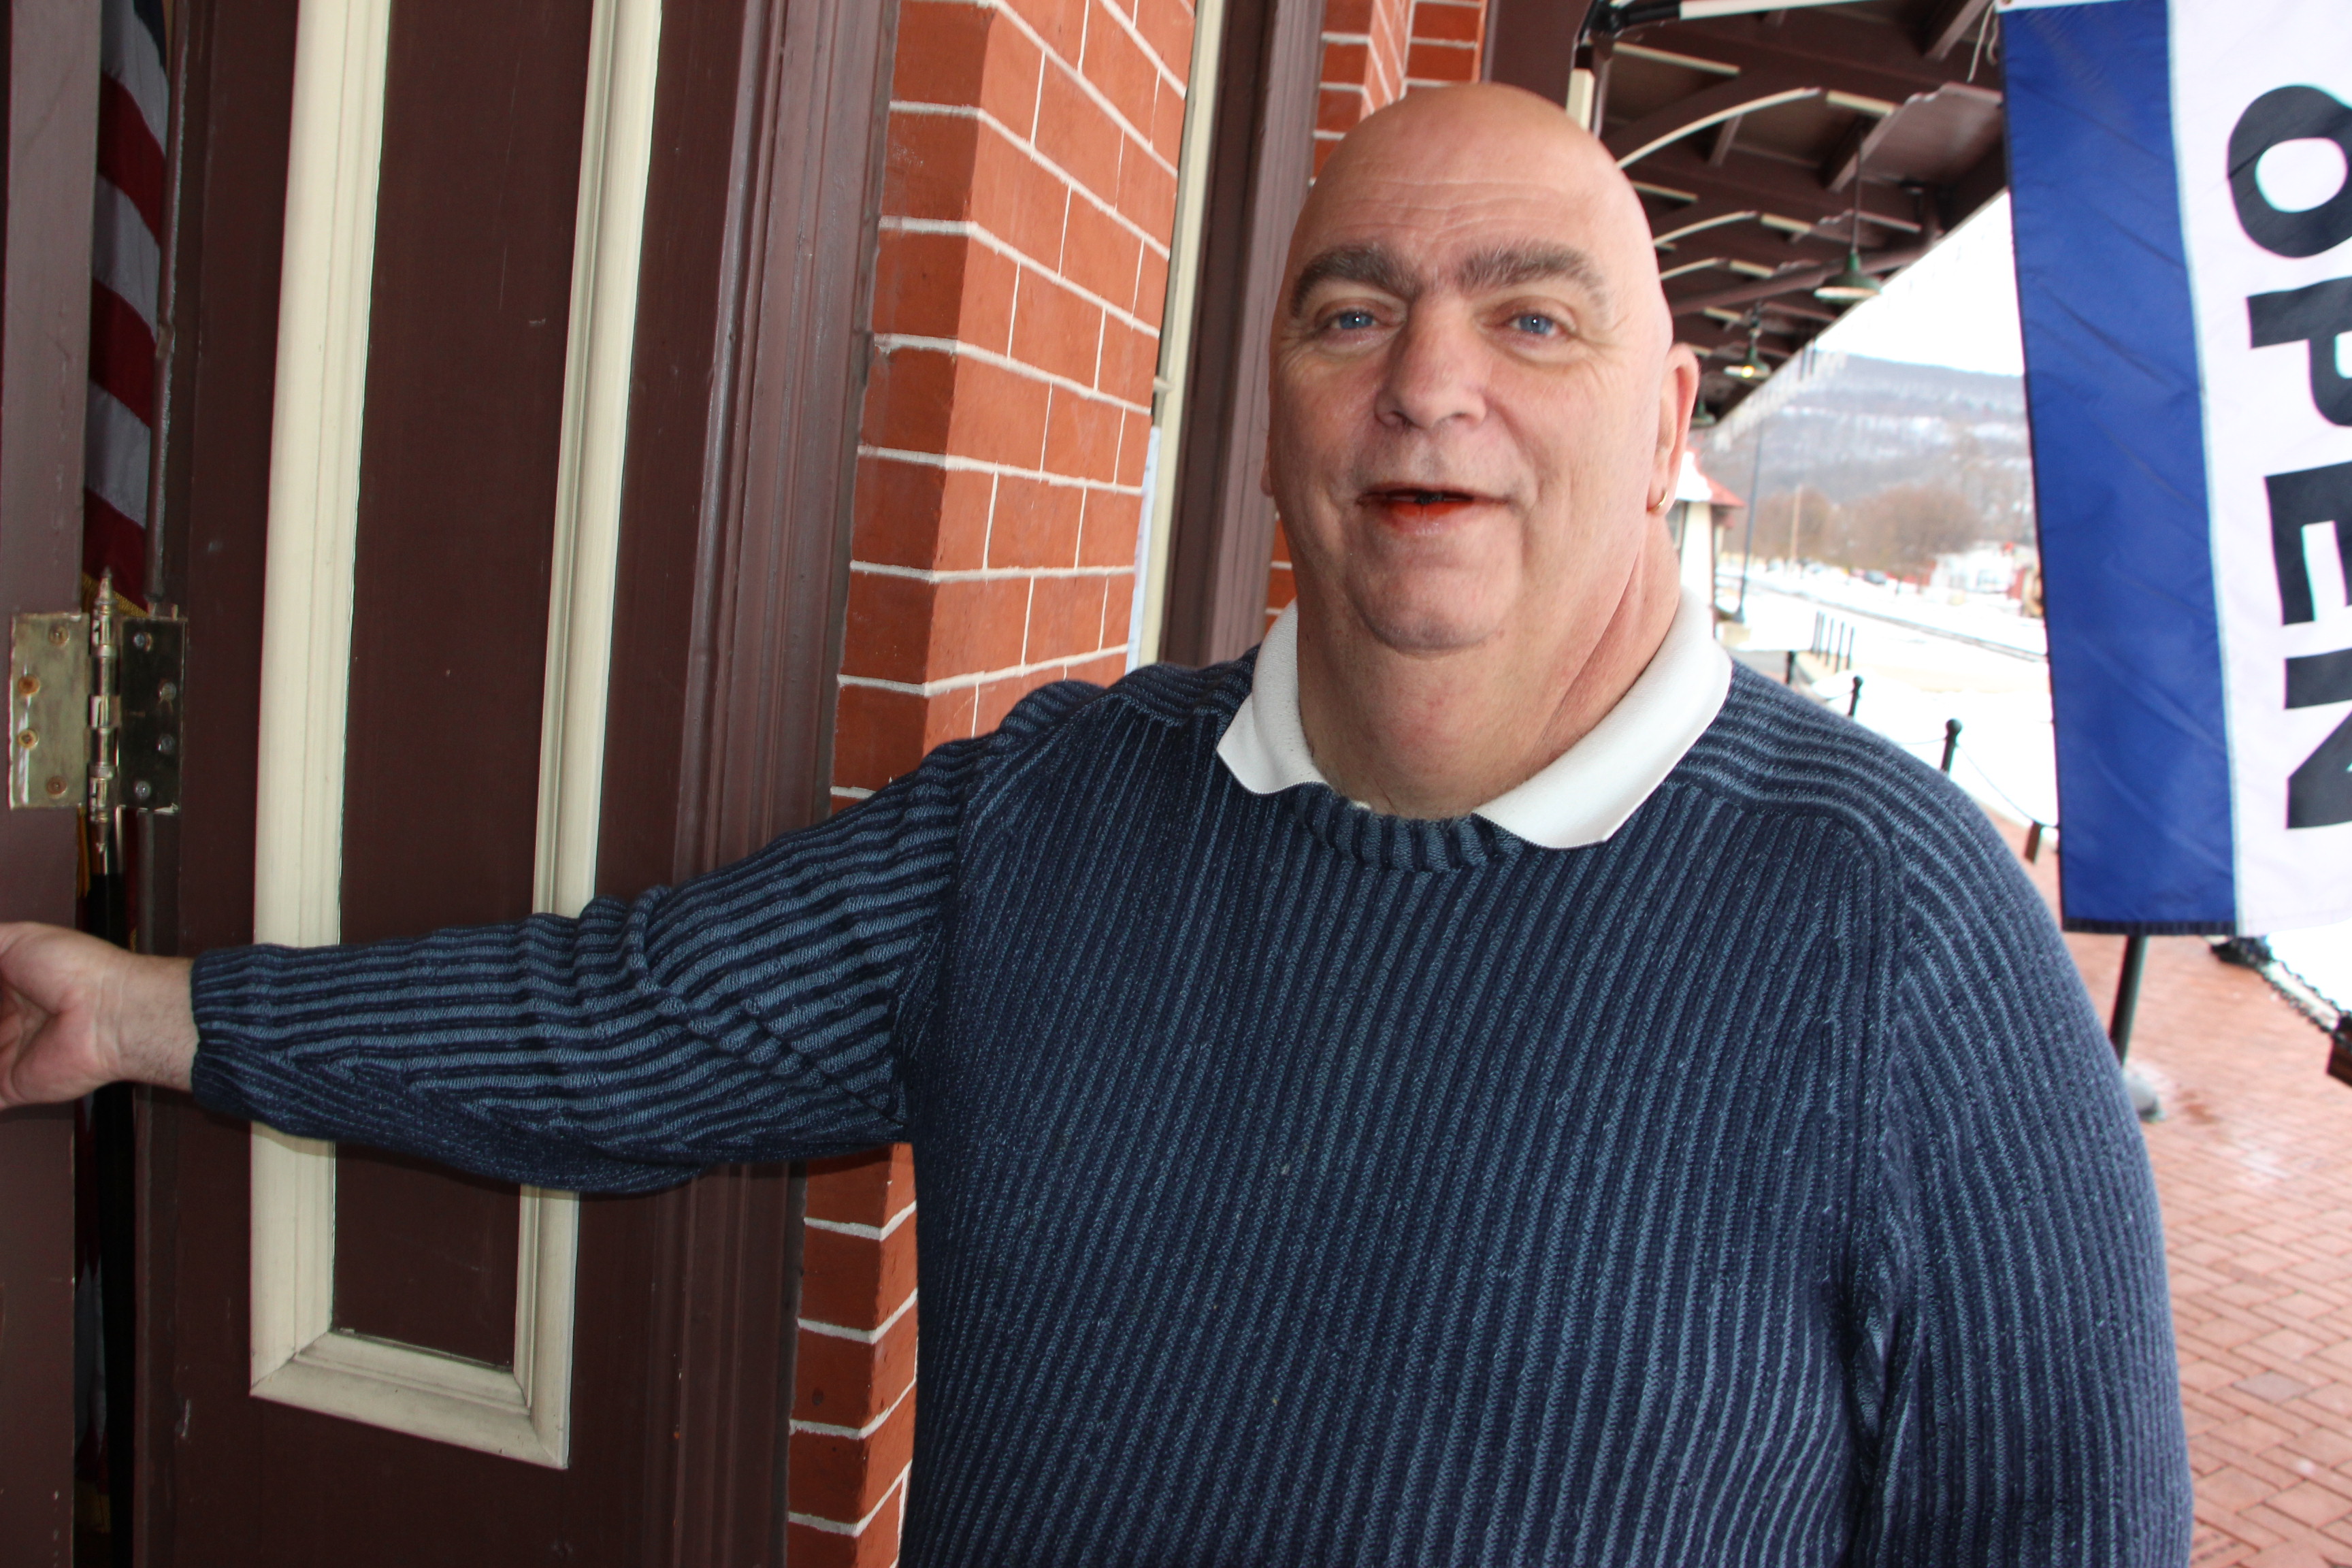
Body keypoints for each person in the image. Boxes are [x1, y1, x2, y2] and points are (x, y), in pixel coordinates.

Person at [0, 84, 2190, 1563]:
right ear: (1274, 414)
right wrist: (151, 1013)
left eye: (1534, 315)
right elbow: (623, 1024)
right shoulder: (1055, 818)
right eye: (1354, 311)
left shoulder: (1905, 939)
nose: (1431, 381)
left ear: (1667, 431)